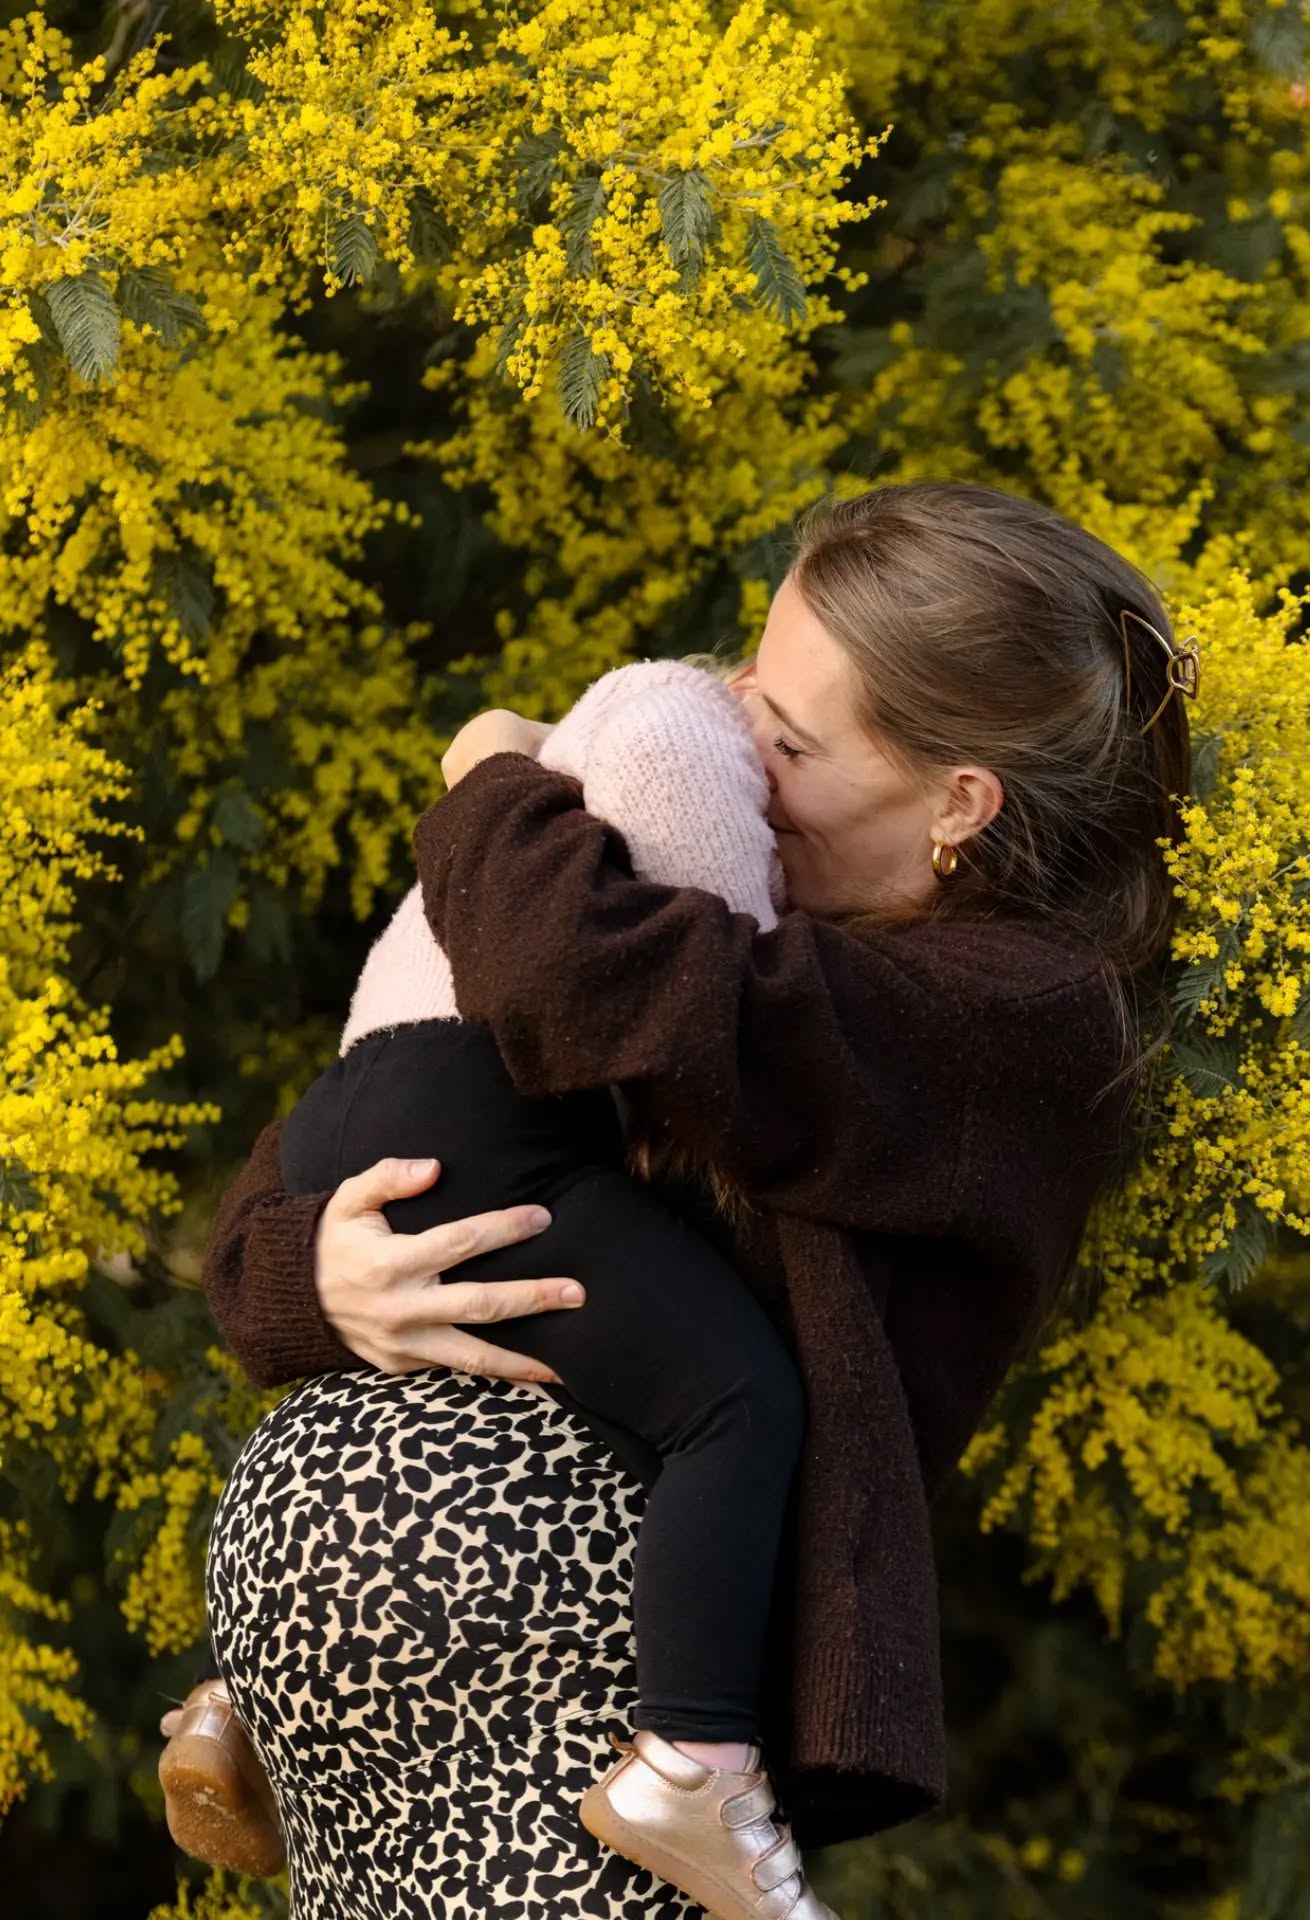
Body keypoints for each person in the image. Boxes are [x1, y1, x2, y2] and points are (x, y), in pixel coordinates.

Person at [181, 482, 1196, 1918]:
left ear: (963, 801)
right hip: (389, 1710)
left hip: (573, 1708)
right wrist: (317, 1283)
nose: (738, 746)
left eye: (783, 735)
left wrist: (486, 775)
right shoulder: (756, 927)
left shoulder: (1015, 1025)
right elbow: (356, 1142)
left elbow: (575, 982)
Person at [163, 656, 836, 1918]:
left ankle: (232, 1700)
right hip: (476, 1116)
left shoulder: (539, 779)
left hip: (362, 1108)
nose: (788, 784)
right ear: (748, 678)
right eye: (793, 742)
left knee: (450, 1328)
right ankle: (693, 1762)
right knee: (734, 1397)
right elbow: (706, 1001)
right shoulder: (683, 719)